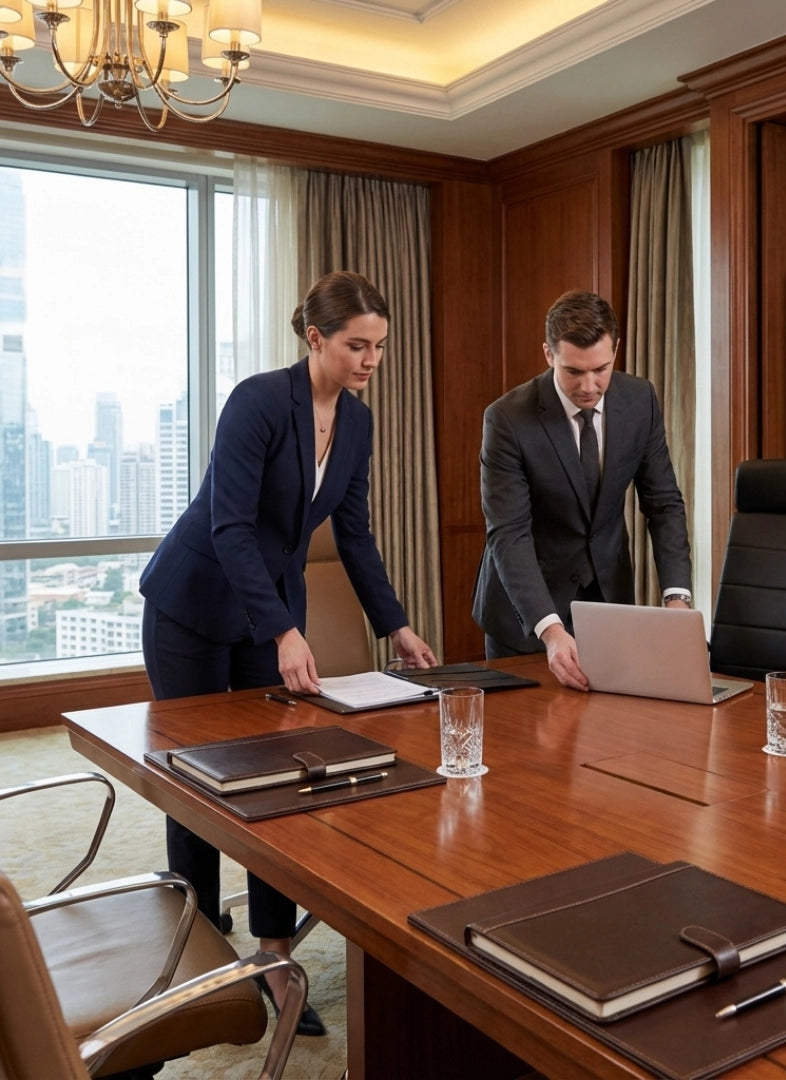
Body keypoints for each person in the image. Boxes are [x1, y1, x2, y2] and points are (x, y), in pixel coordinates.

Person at [139, 270, 436, 1035]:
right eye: (355, 346)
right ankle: (201, 937)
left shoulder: (359, 422)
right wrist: (283, 630)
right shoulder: (259, 401)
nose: (370, 360)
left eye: (379, 348)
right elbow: (229, 527)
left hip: (267, 610)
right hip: (195, 605)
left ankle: (273, 950)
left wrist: (395, 624)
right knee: (199, 777)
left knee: (273, 777)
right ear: (315, 338)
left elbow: (355, 535)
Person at [472, 289, 692, 690]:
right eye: (573, 371)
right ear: (548, 354)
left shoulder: (640, 400)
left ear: (616, 349)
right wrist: (550, 630)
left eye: (601, 369)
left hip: (608, 606)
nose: (589, 385)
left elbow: (663, 505)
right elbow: (509, 534)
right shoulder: (507, 420)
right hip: (526, 618)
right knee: (526, 746)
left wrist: (677, 598)